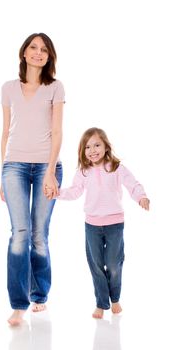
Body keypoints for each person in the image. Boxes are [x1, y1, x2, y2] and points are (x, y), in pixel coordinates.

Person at [0, 33, 65, 326]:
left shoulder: (55, 87)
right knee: (19, 234)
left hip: (45, 167)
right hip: (13, 165)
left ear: (49, 56)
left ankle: (39, 294)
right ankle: (18, 303)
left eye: (44, 50)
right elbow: (5, 132)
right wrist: (3, 173)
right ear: (24, 53)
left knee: (39, 235)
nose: (38, 53)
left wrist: (51, 171)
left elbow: (58, 131)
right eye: (33, 48)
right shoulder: (9, 88)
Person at [53, 127, 150, 319]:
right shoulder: (83, 171)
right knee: (96, 264)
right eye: (87, 147)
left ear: (106, 146)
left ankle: (115, 299)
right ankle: (101, 303)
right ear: (83, 151)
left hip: (115, 224)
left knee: (113, 264)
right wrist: (58, 193)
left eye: (97, 145)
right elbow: (74, 191)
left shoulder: (116, 168)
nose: (92, 150)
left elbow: (133, 184)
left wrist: (141, 197)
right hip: (92, 225)